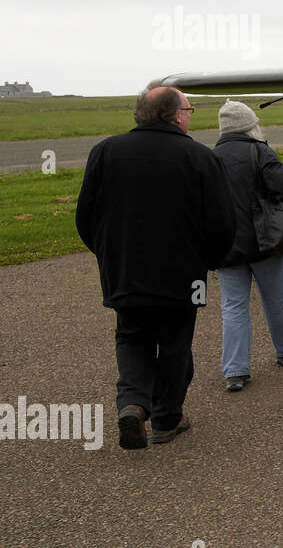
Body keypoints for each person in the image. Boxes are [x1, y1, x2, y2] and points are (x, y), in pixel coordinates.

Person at [76, 84, 236, 449]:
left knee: (132, 336)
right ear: (176, 115)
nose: (189, 116)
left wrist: (108, 255)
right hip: (183, 274)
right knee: (176, 342)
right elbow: (223, 223)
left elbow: (85, 217)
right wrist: (208, 261)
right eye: (190, 110)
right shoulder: (200, 156)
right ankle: (166, 417)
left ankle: (133, 403)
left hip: (125, 271)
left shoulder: (105, 151)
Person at [212, 100, 283, 392]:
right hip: (266, 240)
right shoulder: (259, 150)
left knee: (233, 306)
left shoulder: (211, 156)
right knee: (275, 299)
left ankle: (235, 371)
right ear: (249, 124)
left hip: (225, 244)